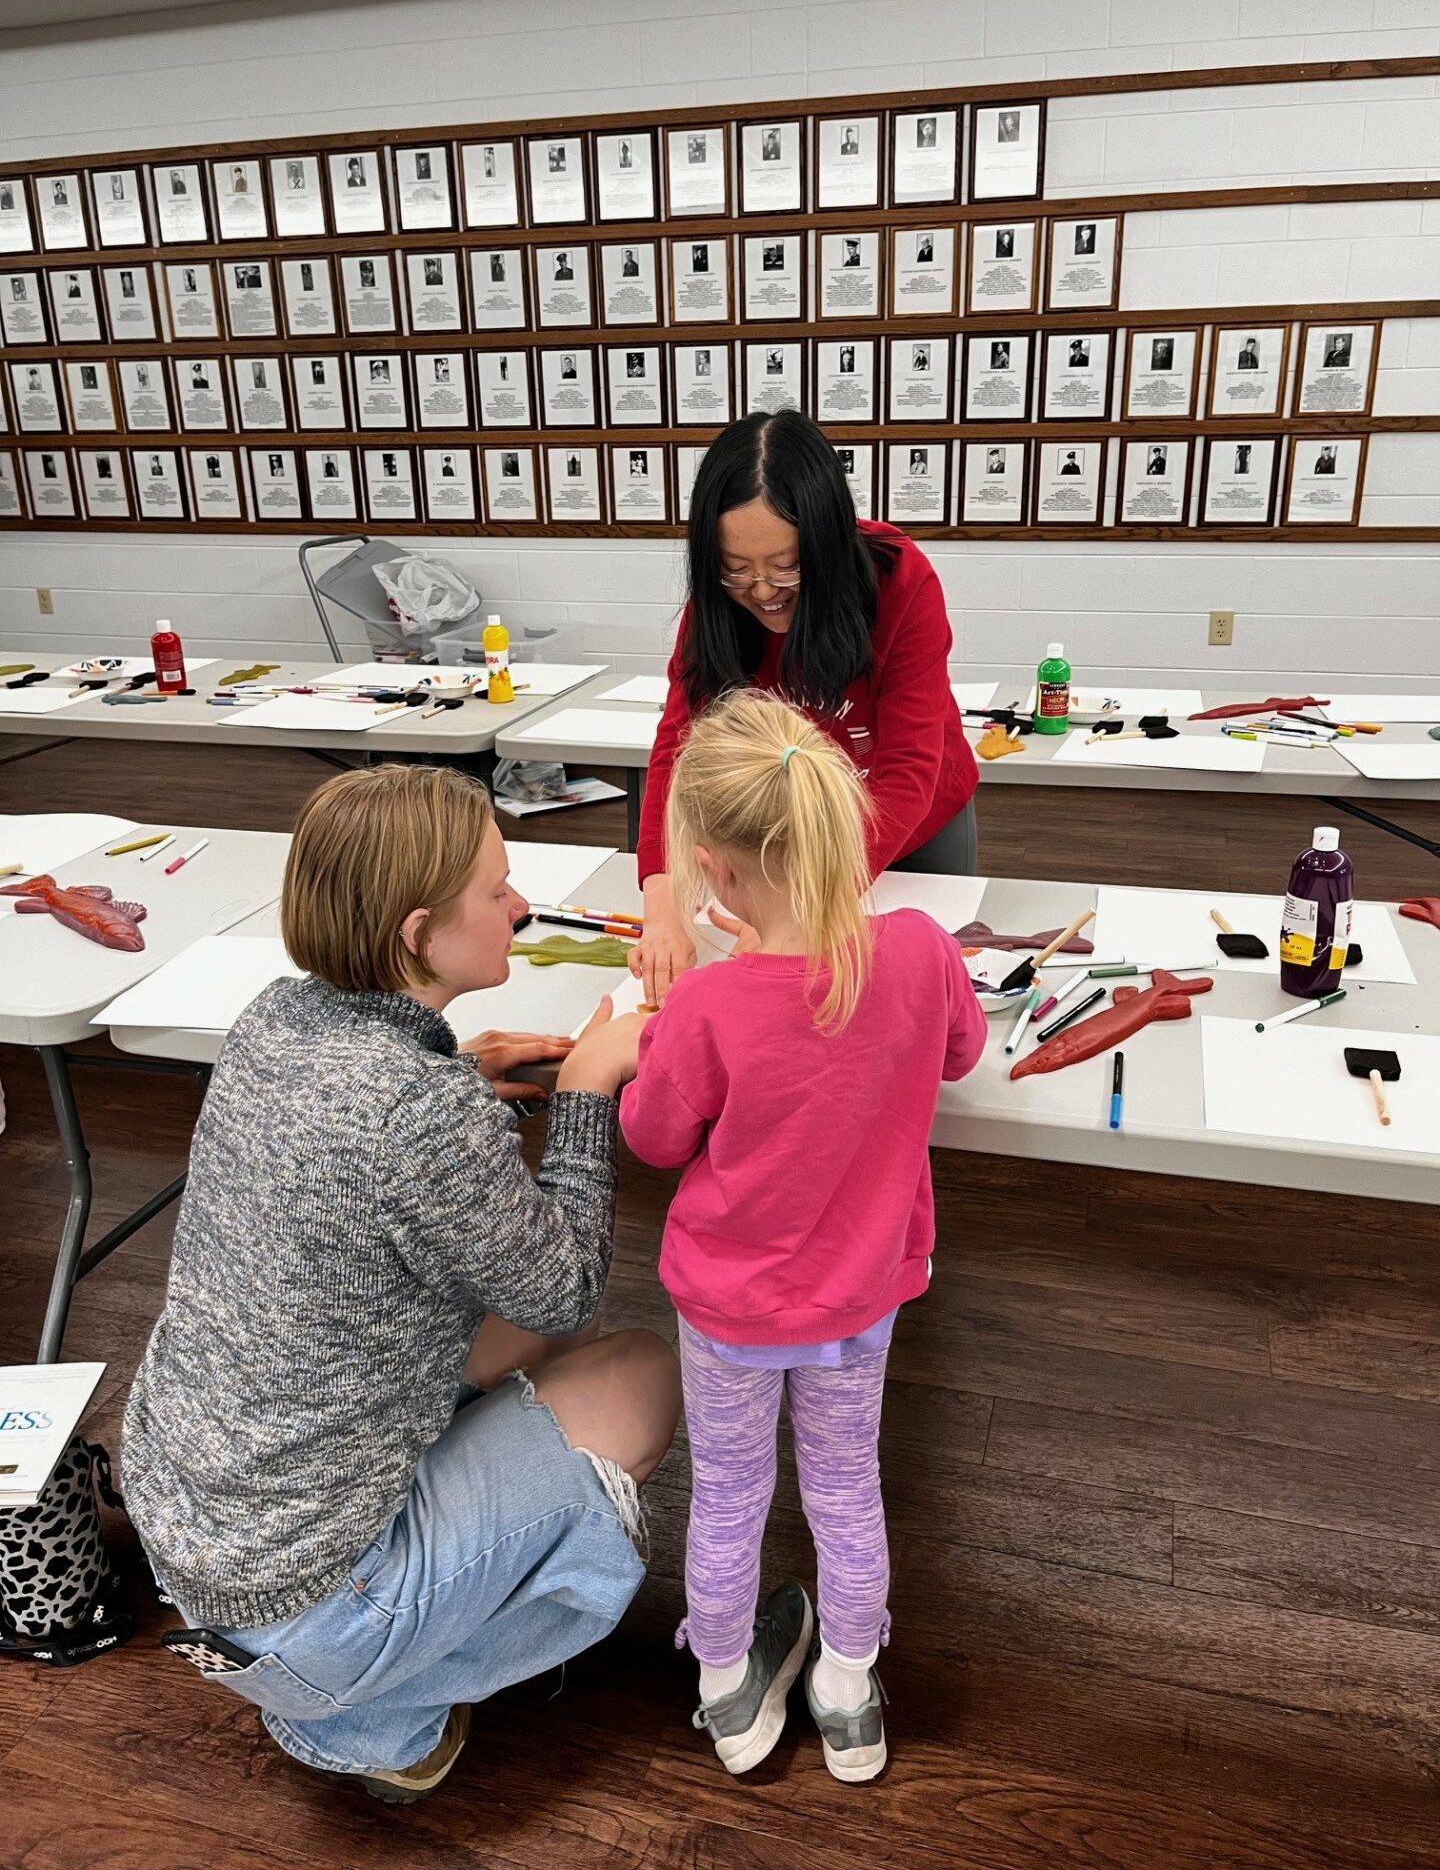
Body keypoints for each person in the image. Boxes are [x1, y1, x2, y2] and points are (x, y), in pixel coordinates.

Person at [122, 766, 680, 1804]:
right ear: (420, 932)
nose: (518, 906)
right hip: (307, 1603)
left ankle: (340, 1671)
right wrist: (593, 1089)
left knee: (521, 1342)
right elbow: (569, 1287)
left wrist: (469, 1079)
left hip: (199, 1543)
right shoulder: (413, 1114)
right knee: (639, 1371)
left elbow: (374, 1146)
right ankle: (376, 1712)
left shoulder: (274, 1020)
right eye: (497, 891)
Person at [621, 693, 986, 1780]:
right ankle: (848, 1690)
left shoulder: (706, 1008)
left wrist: (678, 1018)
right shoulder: (919, 951)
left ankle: (728, 1692)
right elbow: (959, 1053)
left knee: (729, 1492)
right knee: (845, 1483)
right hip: (859, 1298)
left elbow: (651, 1135)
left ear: (713, 874)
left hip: (730, 1311)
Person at [630, 410, 980, 1007]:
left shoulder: (899, 581)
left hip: (903, 827)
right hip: (780, 829)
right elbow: (677, 754)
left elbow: (907, 773)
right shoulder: (716, 610)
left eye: (786, 567)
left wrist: (793, 919)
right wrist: (662, 906)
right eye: (736, 570)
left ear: (827, 543)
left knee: (913, 982)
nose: (762, 592)